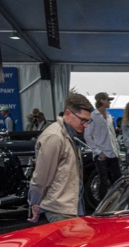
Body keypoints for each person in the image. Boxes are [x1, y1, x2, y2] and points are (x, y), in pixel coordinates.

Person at [28, 93, 94, 223]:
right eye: (83, 120)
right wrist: (34, 204)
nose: (86, 125)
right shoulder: (54, 137)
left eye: (88, 121)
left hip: (71, 206)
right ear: (68, 113)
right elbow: (41, 177)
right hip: (59, 209)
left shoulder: (69, 134)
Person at [84, 91, 122, 195]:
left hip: (112, 153)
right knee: (103, 180)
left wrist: (117, 152)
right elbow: (87, 135)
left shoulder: (109, 115)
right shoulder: (93, 116)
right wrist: (98, 151)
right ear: (102, 101)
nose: (109, 102)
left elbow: (113, 136)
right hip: (101, 153)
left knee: (118, 179)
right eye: (107, 100)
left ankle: (116, 201)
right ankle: (101, 204)